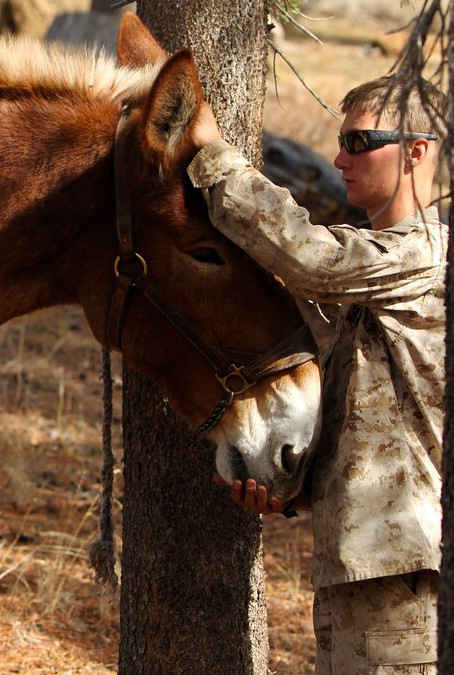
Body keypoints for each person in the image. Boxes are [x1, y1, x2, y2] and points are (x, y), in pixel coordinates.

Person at [188, 74, 447, 674]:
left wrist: (214, 159)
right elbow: (375, 425)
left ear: (417, 150)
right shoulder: (383, 277)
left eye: (360, 142)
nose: (338, 159)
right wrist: (287, 490)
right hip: (363, 570)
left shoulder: (426, 255)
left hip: (407, 576)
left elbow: (312, 260)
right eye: (339, 142)